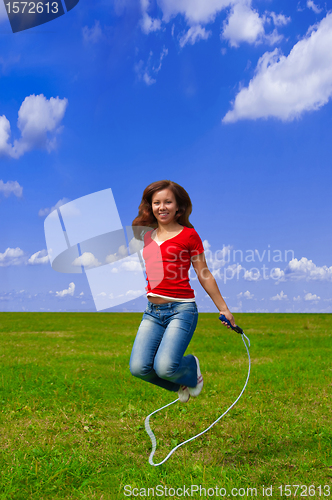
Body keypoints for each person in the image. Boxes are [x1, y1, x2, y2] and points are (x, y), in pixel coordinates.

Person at [129, 180, 236, 403]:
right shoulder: (146, 237)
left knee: (165, 366)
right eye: (157, 202)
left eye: (168, 202)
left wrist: (223, 309)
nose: (162, 207)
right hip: (152, 312)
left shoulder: (189, 235)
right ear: (151, 206)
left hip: (181, 309)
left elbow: (203, 273)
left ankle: (190, 365)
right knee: (139, 368)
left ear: (178, 207)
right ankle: (181, 383)